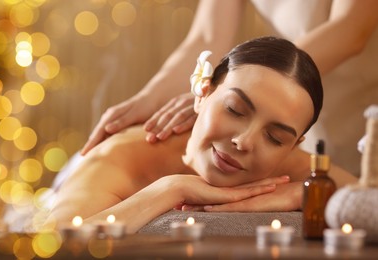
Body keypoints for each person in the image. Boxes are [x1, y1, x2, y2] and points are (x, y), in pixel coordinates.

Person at [46, 37, 357, 234]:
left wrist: (303, 194)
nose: (244, 141)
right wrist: (171, 188)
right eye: (235, 110)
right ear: (202, 94)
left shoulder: (294, 171)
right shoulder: (121, 158)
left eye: (275, 138)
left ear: (293, 146)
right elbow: (54, 243)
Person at [81, 0, 378, 175]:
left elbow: (351, 30)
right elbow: (208, 36)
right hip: (275, 111)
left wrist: (237, 84)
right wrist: (152, 96)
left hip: (358, 116)